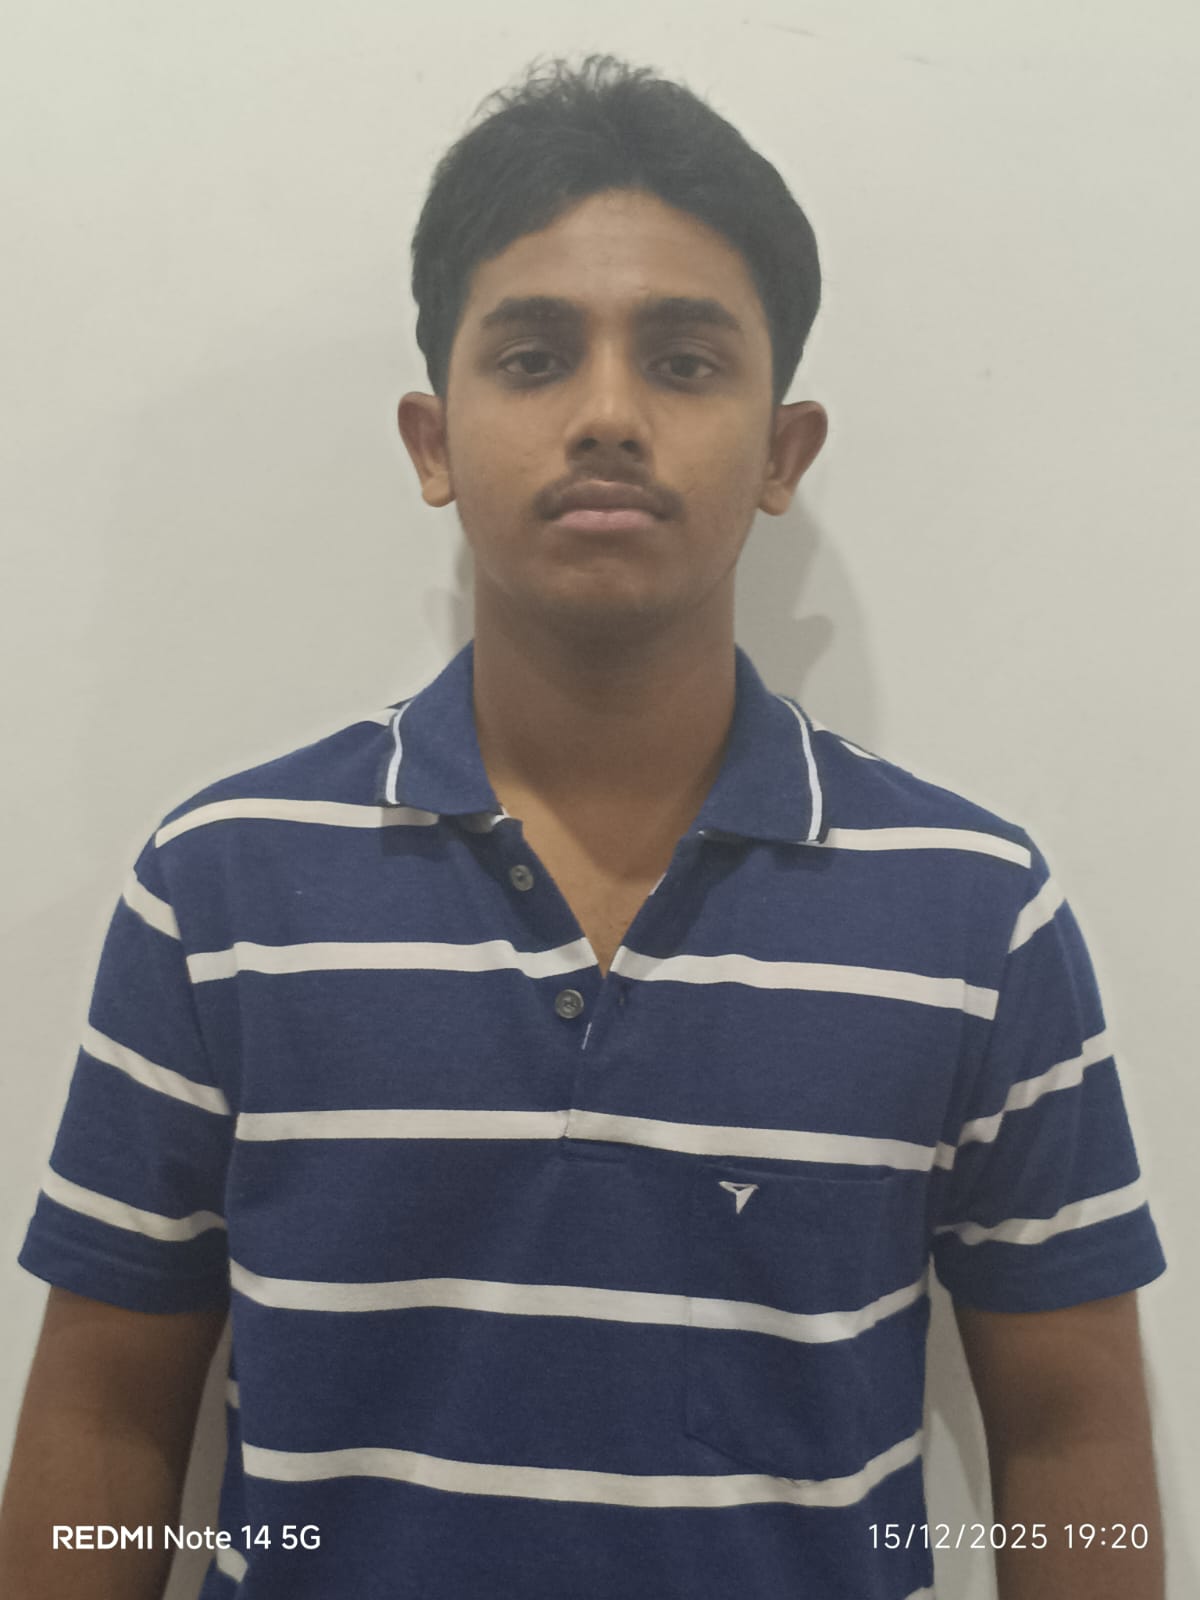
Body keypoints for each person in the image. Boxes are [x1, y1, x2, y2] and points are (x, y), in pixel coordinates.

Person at [0, 51, 1168, 1600]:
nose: (608, 414)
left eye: (683, 362)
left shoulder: (974, 914)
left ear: (782, 452)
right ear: (432, 440)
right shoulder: (219, 891)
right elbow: (101, 1418)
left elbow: (1075, 1446)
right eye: (536, 356)